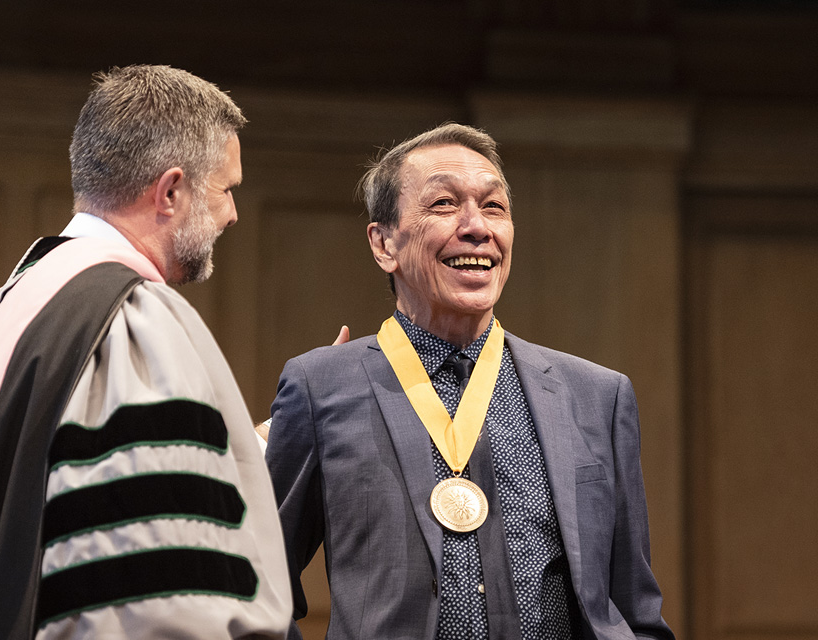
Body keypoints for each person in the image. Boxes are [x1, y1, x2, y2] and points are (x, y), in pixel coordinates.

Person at [0, 65, 291, 640]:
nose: (233, 214)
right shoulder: (130, 320)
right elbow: (151, 590)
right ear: (170, 192)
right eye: (226, 189)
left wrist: (245, 450)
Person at [264, 123, 675, 639]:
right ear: (384, 242)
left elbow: (634, 608)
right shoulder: (321, 387)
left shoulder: (597, 396)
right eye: (443, 204)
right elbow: (259, 584)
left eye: (494, 207)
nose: (477, 227)